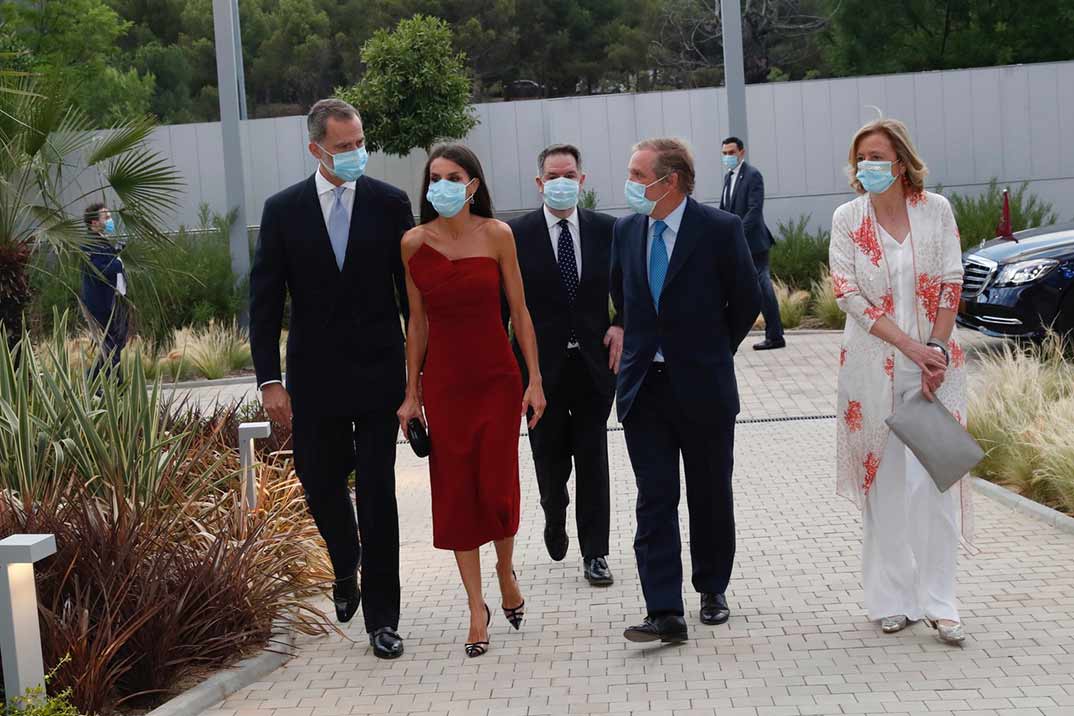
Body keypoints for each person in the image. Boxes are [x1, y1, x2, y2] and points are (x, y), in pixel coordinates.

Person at [249, 98, 413, 660]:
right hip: (314, 378)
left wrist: (418, 381)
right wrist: (269, 379)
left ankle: (383, 619)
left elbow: (411, 297)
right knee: (318, 482)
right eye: (344, 147)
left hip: (378, 376)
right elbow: (265, 302)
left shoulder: (390, 204)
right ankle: (346, 563)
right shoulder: (283, 210)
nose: (355, 154)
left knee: (377, 494)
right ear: (316, 148)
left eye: (359, 143)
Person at [397, 143, 546, 658]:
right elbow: (416, 324)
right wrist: (411, 394)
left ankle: (505, 570)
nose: (441, 184)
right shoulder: (413, 243)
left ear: (473, 184)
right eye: (434, 177)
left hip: (497, 381)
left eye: (452, 175)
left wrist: (535, 380)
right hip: (445, 385)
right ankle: (476, 607)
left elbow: (521, 313)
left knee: (497, 489)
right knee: (456, 493)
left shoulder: (498, 235)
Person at [610, 138, 760, 644]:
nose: (629, 183)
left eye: (637, 174)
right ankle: (664, 610)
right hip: (643, 389)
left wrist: (710, 350)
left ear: (668, 181)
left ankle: (712, 588)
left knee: (710, 492)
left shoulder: (720, 229)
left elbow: (745, 299)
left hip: (702, 385)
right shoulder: (626, 230)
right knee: (655, 498)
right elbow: (622, 297)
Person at [830, 118, 971, 646]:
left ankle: (941, 602)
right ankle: (892, 598)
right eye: (861, 157)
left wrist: (933, 350)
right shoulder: (848, 218)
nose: (868, 166)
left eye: (878, 157)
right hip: (871, 373)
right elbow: (848, 294)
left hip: (935, 370)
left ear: (903, 161)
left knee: (935, 487)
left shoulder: (936, 210)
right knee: (883, 486)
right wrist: (909, 347)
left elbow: (951, 281)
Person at [506, 144, 620, 586]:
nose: (561, 183)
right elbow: (505, 304)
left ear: (582, 179)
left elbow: (629, 284)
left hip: (594, 365)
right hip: (539, 371)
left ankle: (596, 552)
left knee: (593, 457)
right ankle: (554, 513)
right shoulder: (515, 235)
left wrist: (623, 324)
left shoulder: (607, 229)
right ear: (539, 183)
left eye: (569, 175)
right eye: (553, 176)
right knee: (550, 460)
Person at [719, 137, 784, 350]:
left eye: (731, 152)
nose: (728, 157)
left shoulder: (752, 175)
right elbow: (725, 210)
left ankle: (775, 336)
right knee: (744, 287)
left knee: (763, 287)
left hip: (754, 242)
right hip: (737, 242)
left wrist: (736, 233)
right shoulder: (729, 178)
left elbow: (754, 210)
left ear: (742, 153)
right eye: (725, 153)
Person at [81, 202, 130, 382]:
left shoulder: (102, 240)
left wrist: (117, 251)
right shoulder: (90, 243)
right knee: (112, 345)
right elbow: (100, 269)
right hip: (101, 304)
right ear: (94, 223)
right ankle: (100, 380)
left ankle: (106, 379)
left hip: (113, 301)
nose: (110, 220)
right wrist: (119, 261)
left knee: (116, 344)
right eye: (106, 217)